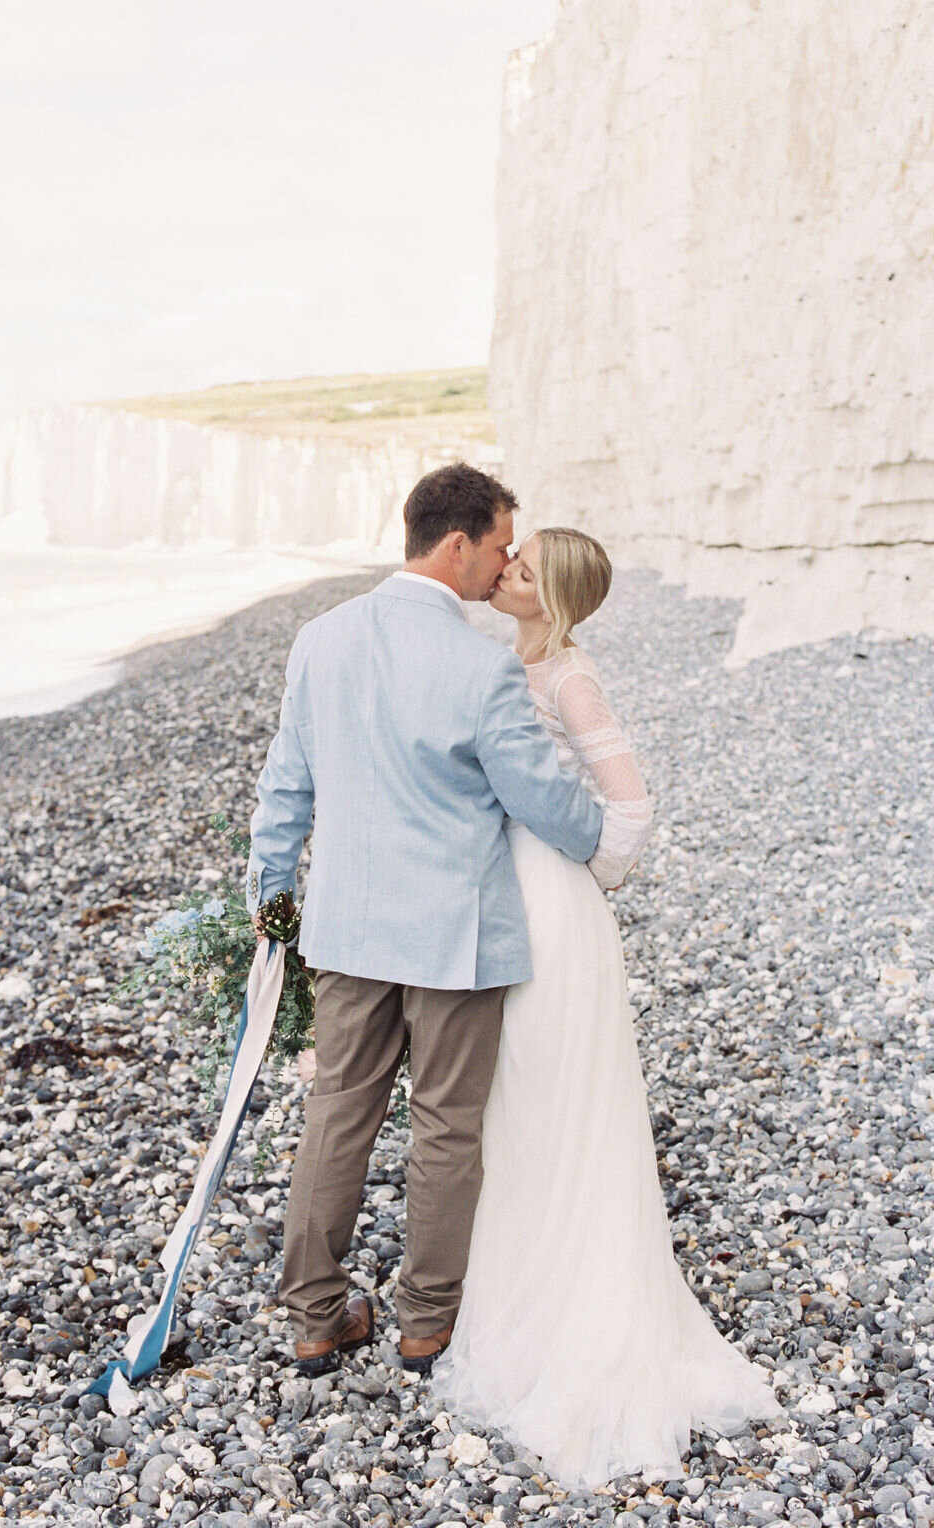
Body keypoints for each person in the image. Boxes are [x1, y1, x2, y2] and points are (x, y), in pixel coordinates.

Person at [432, 527, 782, 1485]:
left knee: (559, 1104)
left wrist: (592, 876)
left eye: (525, 570)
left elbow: (631, 805)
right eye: (510, 559)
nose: (505, 571)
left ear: (557, 598)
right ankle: (527, 1300)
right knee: (524, 1108)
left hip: (553, 910)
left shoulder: (569, 679)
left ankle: (584, 1320)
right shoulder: (513, 659)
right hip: (508, 900)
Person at [244, 464, 605, 1377]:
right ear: (456, 544)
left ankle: (317, 1314)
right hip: (456, 933)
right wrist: (607, 827)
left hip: (346, 926)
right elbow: (550, 807)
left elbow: (287, 782)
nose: (501, 566)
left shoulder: (320, 639)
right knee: (447, 1126)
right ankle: (424, 1321)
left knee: (338, 1112)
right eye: (495, 548)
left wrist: (272, 891)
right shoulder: (480, 666)